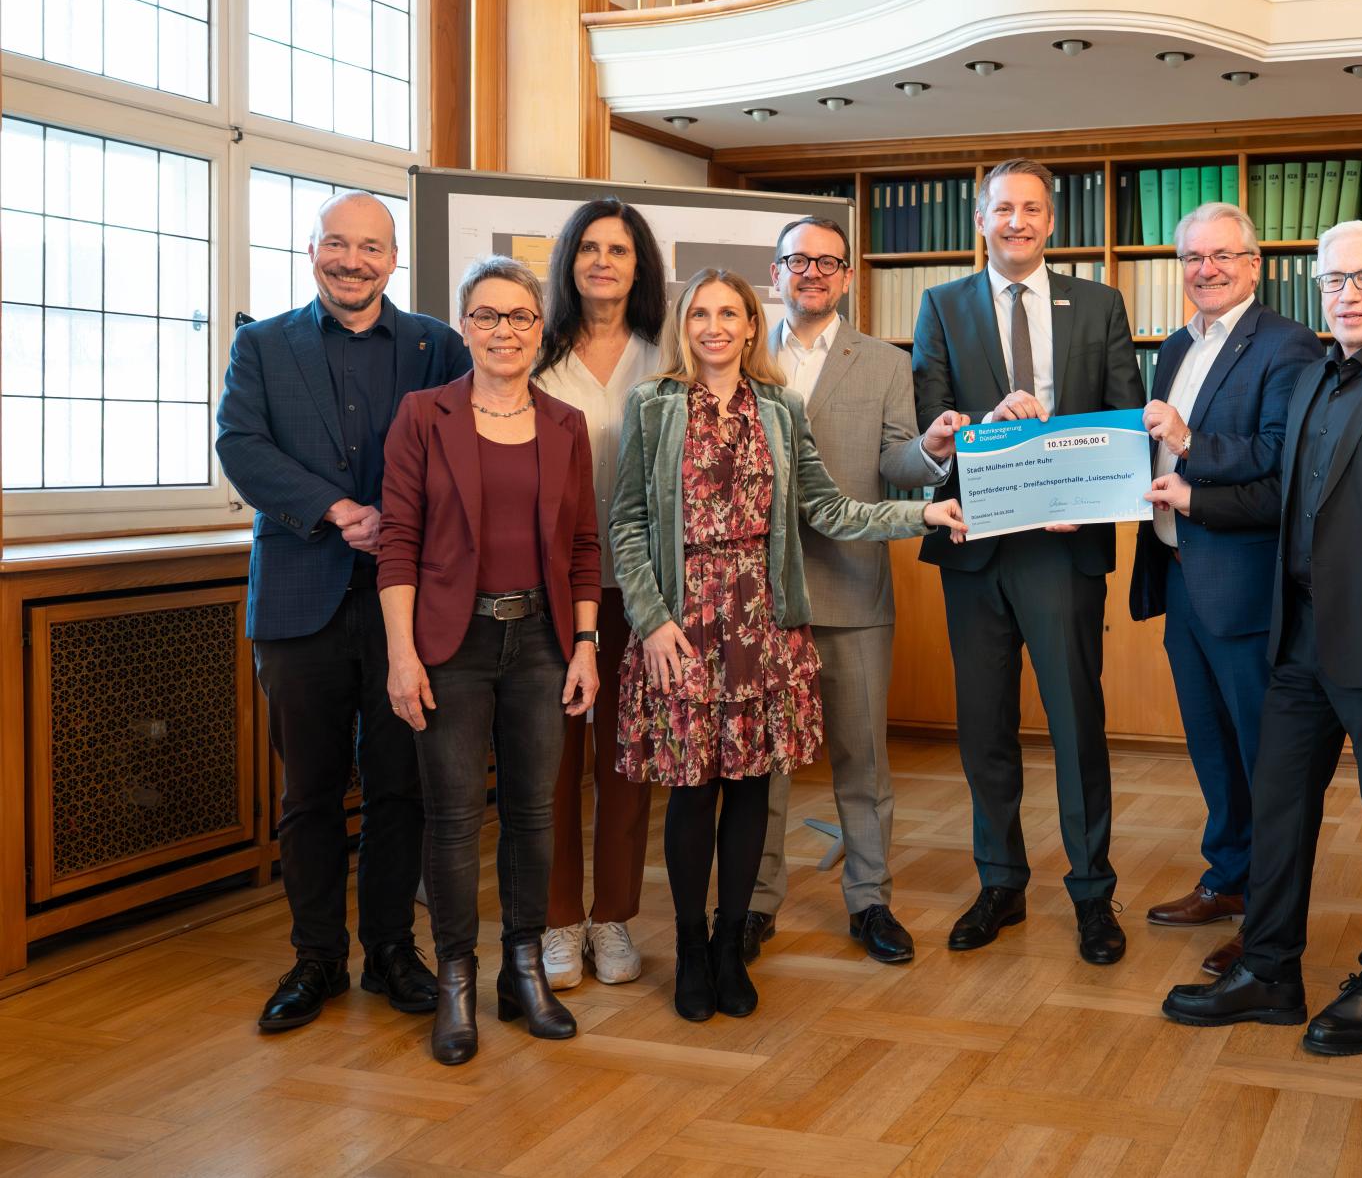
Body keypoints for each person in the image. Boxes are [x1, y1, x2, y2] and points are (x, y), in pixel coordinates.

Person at [1154, 220, 1362, 1058]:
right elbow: (1281, 500)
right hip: (1297, 636)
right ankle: (1269, 969)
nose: (1347, 294)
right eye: (1334, 280)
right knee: (1279, 808)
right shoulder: (1312, 377)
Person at [609, 269, 966, 1023]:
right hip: (680, 627)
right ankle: (692, 946)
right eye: (699, 313)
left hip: (762, 626)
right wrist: (652, 621)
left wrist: (922, 517)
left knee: (748, 790)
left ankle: (732, 943)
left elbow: (828, 507)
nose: (713, 326)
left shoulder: (780, 408)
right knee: (691, 792)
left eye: (729, 313)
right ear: (686, 325)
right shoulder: (653, 406)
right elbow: (629, 525)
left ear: (749, 325)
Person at [216, 191, 469, 1033]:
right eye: (336, 244)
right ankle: (316, 954)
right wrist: (336, 509)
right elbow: (240, 446)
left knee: (401, 786)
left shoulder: (439, 345)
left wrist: (399, 524)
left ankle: (392, 949)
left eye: (369, 247)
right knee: (310, 790)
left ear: (393, 259)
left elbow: (466, 449)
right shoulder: (260, 346)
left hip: (408, 607)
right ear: (313, 249)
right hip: (299, 598)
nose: (351, 260)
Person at [912, 158, 1147, 966]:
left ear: (1052, 222)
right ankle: (1000, 881)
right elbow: (929, 421)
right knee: (985, 727)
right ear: (981, 220)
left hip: (1062, 543)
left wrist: (1066, 451)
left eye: (1033, 209)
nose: (1017, 220)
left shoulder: (1100, 304)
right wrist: (987, 423)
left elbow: (1125, 421)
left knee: (1077, 723)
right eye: (1003, 208)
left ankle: (1092, 890)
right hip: (976, 545)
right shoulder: (940, 305)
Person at [378, 255, 602, 1065]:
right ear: (463, 324)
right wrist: (403, 655)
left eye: (519, 316)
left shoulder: (565, 424)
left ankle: (524, 968)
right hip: (450, 646)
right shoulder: (422, 415)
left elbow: (583, 545)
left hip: (541, 644)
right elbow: (397, 541)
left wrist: (585, 643)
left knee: (536, 815)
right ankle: (456, 979)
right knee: (453, 817)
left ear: (540, 328)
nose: (503, 331)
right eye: (486, 315)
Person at [744, 217, 966, 966]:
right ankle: (752, 900)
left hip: (852, 587)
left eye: (827, 262)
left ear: (847, 277)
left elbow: (895, 460)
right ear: (774, 273)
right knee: (760, 765)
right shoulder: (737, 352)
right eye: (797, 260)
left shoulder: (882, 362)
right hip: (757, 600)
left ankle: (869, 899)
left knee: (862, 760)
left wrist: (930, 450)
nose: (812, 272)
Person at [1128, 202, 1318, 968]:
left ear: (1254, 263)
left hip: (1242, 592)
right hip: (1181, 582)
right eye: (1192, 258)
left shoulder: (1288, 345)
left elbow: (1280, 466)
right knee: (1213, 752)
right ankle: (1230, 877)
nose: (1205, 270)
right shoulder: (1176, 345)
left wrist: (1188, 445)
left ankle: (1269, 920)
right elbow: (1145, 455)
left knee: (1264, 762)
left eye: (1221, 256)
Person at [532, 198, 669, 992]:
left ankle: (612, 915)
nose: (602, 262)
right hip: (554, 592)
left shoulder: (665, 354)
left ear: (638, 264)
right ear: (569, 262)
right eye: (588, 248)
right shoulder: (539, 355)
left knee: (626, 760)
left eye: (618, 249)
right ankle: (557, 920)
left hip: (643, 593)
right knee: (552, 762)